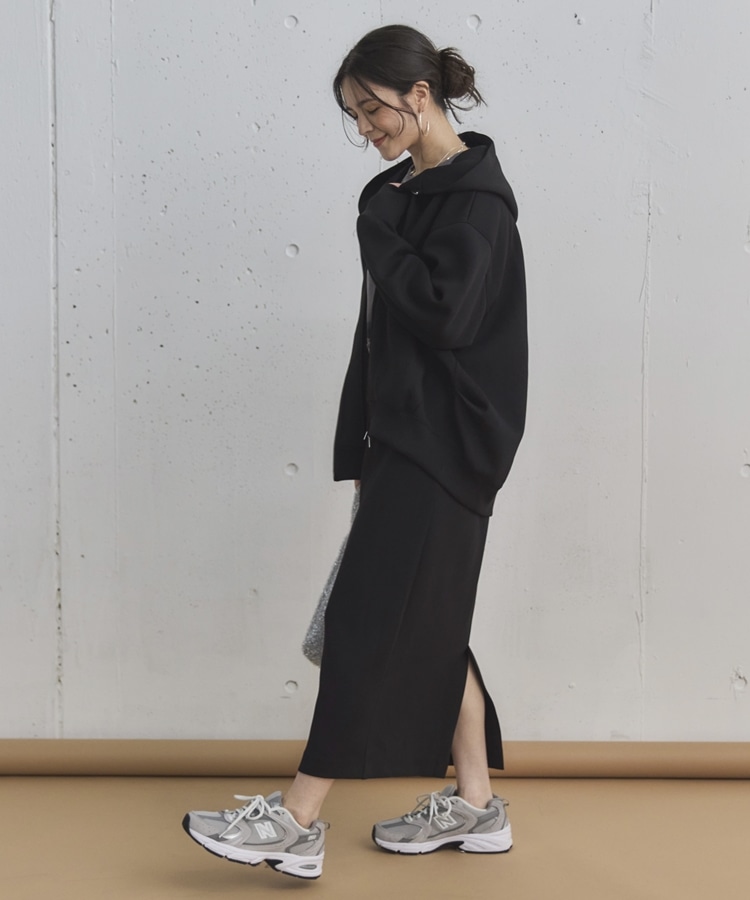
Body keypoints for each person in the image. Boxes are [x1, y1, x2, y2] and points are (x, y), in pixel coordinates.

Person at [182, 23, 528, 880]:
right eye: (354, 115)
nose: (365, 128)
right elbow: (384, 336)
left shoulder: (474, 202)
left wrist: (378, 232)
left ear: (420, 95)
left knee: (368, 620)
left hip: (446, 443)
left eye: (373, 109)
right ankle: (477, 805)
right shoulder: (406, 193)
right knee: (427, 621)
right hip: (406, 438)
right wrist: (365, 440)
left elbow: (446, 315)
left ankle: (297, 819)